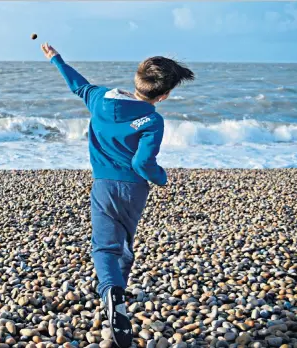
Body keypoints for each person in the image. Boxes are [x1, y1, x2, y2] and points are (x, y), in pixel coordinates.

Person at [41, 43, 194, 348]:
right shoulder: (152, 119)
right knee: (123, 239)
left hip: (104, 185)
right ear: (162, 95)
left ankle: (111, 291)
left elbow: (77, 85)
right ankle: (118, 293)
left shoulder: (99, 98)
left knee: (104, 247)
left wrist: (56, 59)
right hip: (135, 189)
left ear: (137, 77)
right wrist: (161, 178)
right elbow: (142, 163)